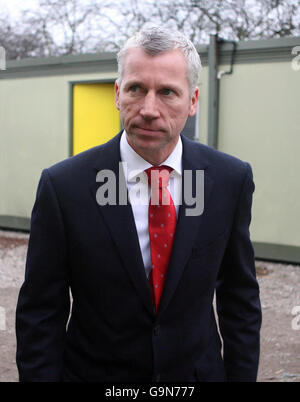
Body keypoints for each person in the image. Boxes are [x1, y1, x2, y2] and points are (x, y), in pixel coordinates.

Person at [15, 26, 261, 382]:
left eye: (167, 93)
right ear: (117, 93)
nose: (149, 109)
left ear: (192, 101)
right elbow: (40, 312)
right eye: (136, 89)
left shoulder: (228, 180)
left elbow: (240, 299)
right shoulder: (63, 187)